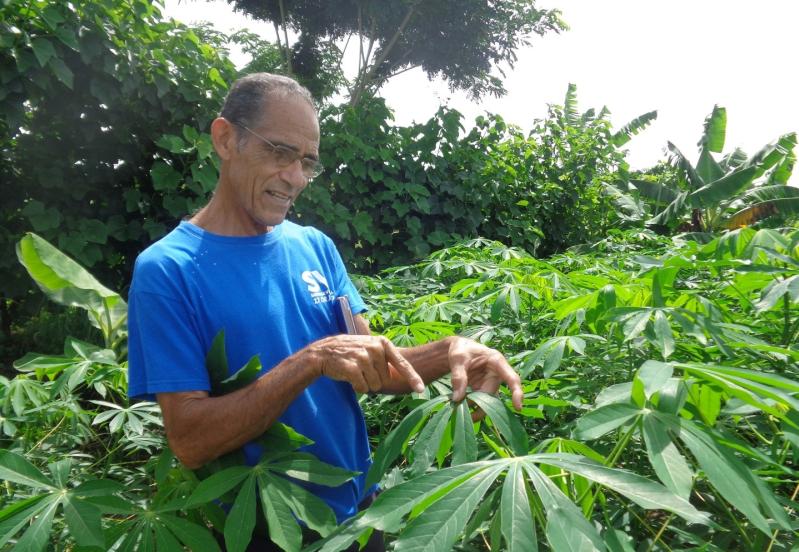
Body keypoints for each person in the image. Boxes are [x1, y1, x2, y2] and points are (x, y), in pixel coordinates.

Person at [127, 73, 523, 551]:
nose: (294, 178)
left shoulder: (315, 246)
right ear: (225, 138)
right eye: (278, 152)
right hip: (269, 527)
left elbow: (377, 368)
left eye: (307, 162)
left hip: (360, 508)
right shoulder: (167, 270)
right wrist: (310, 360)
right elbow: (190, 440)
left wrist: (454, 352)